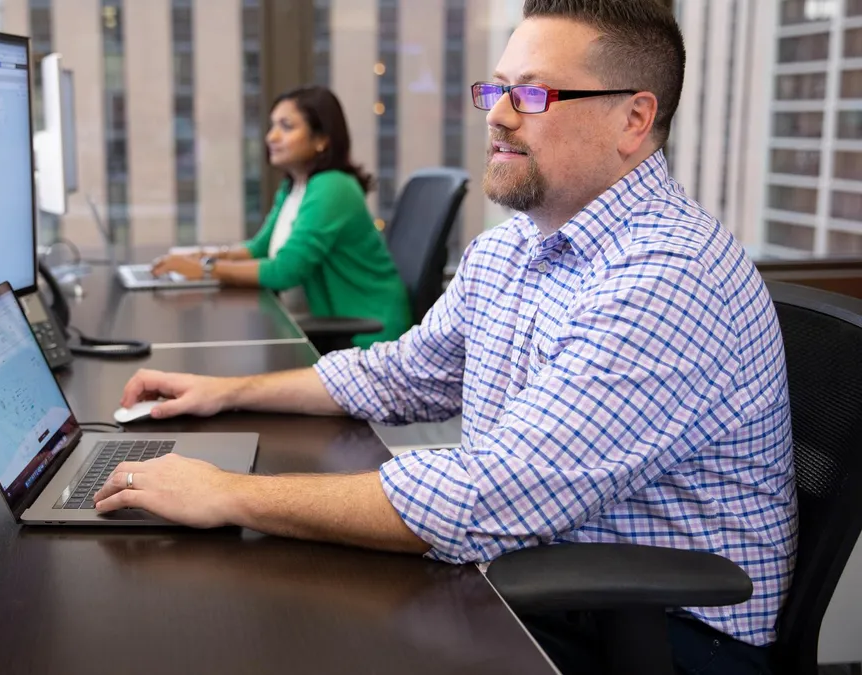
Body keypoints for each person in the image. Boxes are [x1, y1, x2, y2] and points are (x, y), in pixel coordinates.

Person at [95, 1, 795, 673]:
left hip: (660, 634)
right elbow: (403, 374)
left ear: (633, 118)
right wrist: (224, 393)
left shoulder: (665, 277)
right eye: (496, 88)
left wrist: (228, 493)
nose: (495, 114)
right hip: (536, 574)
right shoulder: (515, 245)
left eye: (534, 96)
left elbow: (485, 496)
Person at [150, 85, 411, 347]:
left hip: (369, 333)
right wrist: (206, 257)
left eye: (286, 127)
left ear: (322, 139)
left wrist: (205, 269)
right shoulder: (295, 185)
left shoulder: (332, 187)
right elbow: (260, 248)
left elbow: (285, 271)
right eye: (272, 126)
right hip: (334, 325)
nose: (271, 137)